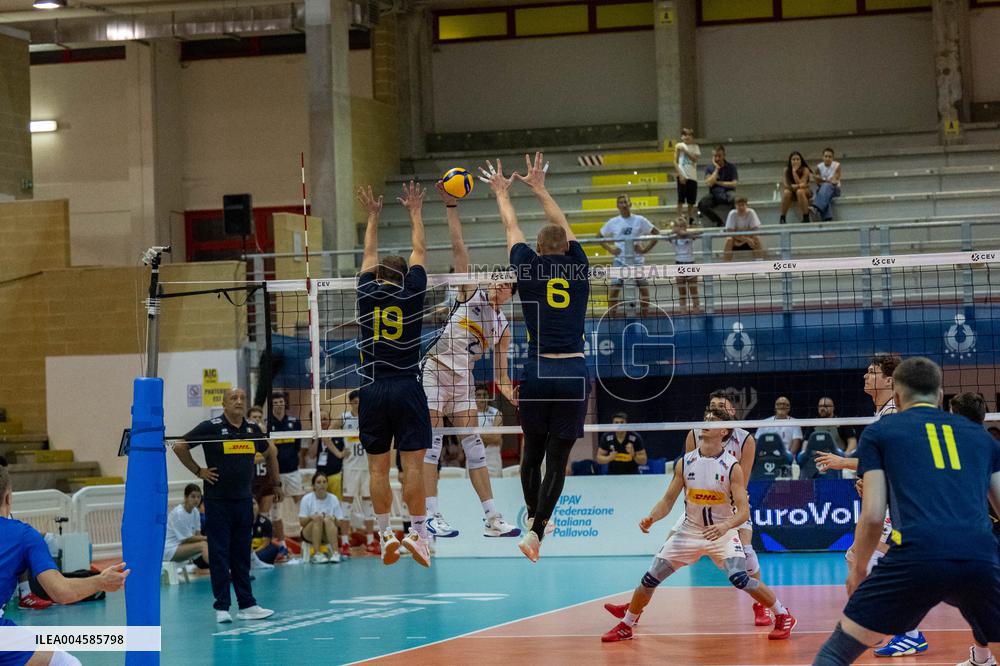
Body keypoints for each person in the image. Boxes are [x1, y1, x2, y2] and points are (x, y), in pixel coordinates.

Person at [812, 357, 1000, 665]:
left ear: (897, 396)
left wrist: (858, 571)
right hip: (979, 554)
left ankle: (913, 637)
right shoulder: (983, 438)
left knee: (835, 654)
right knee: (981, 615)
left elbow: (872, 515)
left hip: (918, 553)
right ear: (940, 396)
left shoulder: (883, 431)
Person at [601, 408, 795, 643]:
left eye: (713, 421)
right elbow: (667, 501)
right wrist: (652, 517)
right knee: (650, 577)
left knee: (739, 577)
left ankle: (783, 614)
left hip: (721, 533)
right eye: (706, 419)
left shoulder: (732, 467)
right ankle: (627, 624)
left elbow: (743, 512)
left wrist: (725, 527)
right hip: (689, 531)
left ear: (723, 431)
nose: (706, 422)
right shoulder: (685, 462)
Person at [482, 152, 589, 562]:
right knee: (558, 462)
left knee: (532, 455)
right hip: (574, 370)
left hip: (539, 369)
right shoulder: (579, 267)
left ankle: (532, 519)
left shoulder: (526, 266)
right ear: (566, 247)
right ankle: (538, 530)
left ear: (538, 249)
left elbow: (511, 226)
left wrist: (502, 192)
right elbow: (566, 228)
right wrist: (541, 187)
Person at [420, 181, 519, 539]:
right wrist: (451, 207)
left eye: (506, 284)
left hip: (463, 381)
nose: (498, 285)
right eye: (497, 279)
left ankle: (492, 518)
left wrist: (508, 391)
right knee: (430, 443)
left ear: (510, 294)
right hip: (435, 369)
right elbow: (458, 247)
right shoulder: (469, 291)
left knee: (474, 445)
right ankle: (432, 516)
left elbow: (501, 374)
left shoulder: (504, 326)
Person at [355, 182, 433, 567]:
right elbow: (420, 250)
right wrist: (415, 209)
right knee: (413, 465)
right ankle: (418, 532)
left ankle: (385, 530)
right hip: (406, 384)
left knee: (377, 467)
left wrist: (373, 214)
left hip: (371, 388)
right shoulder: (412, 292)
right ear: (404, 277)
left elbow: (368, 252)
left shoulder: (366, 292)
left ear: (378, 275)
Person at [0, 465, 130, 666]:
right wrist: (101, 581)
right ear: (8, 497)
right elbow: (61, 592)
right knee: (65, 662)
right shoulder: (24, 535)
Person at [172, 387, 278, 622]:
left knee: (242, 554)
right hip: (218, 502)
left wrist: (276, 482)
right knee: (220, 554)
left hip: (243, 500)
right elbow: (179, 446)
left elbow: (271, 451)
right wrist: (199, 471)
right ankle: (221, 608)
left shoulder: (252, 429)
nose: (239, 401)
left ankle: (247, 605)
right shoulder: (211, 427)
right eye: (234, 398)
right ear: (224, 403)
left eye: (242, 398)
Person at [682, 391, 773, 627]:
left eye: (721, 406)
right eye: (711, 407)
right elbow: (688, 470)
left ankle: (761, 606)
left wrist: (730, 506)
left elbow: (743, 479)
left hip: (731, 504)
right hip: (698, 504)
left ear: (732, 411)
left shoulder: (745, 439)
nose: (714, 411)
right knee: (665, 551)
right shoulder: (695, 433)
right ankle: (635, 608)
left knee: (748, 553)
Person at [948, 392, 1000, 666]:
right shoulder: (990, 445)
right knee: (978, 599)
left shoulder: (946, 446)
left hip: (974, 534)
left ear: (954, 413)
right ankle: (981, 658)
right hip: (983, 533)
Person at [332, 390, 378, 556]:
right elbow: (326, 435)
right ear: (350, 403)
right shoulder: (344, 417)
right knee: (347, 506)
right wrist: (338, 453)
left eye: (361, 401)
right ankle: (344, 543)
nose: (359, 404)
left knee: (368, 505)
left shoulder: (370, 417)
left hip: (367, 468)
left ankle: (371, 542)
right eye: (356, 402)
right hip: (350, 468)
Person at [599, 194, 659, 316]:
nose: (624, 205)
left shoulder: (640, 220)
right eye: (621, 202)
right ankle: (612, 319)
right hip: (620, 261)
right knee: (614, 290)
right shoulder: (613, 222)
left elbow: (657, 233)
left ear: (630, 204)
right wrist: (610, 249)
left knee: (644, 289)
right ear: (617, 206)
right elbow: (599, 237)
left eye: (626, 202)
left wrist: (645, 249)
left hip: (637, 261)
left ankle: (645, 317)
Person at [267, 392, 303, 557]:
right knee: (276, 510)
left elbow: (297, 446)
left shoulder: (294, 422)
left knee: (301, 507)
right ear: (272, 405)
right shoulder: (267, 424)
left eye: (281, 402)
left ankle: (306, 539)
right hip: (276, 475)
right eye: (276, 402)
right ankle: (281, 544)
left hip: (293, 471)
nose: (279, 405)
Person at [298, 473, 345, 564]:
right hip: (309, 533)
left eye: (324, 482)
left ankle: (336, 553)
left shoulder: (333, 499)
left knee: (328, 519)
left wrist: (333, 519)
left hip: (327, 533)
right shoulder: (306, 499)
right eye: (318, 482)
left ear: (327, 484)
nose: (322, 484)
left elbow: (340, 523)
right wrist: (311, 517)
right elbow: (302, 522)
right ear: (313, 486)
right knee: (318, 518)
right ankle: (316, 554)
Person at [163, 483, 209, 567]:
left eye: (198, 497)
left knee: (209, 544)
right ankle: (219, 571)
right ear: (186, 497)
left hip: (182, 546)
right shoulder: (179, 513)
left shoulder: (195, 511)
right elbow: (186, 539)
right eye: (193, 496)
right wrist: (207, 538)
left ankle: (224, 569)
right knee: (203, 545)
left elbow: (198, 535)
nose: (196, 500)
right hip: (170, 550)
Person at [665, 217, 702, 314]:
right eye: (678, 226)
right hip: (679, 265)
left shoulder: (689, 236)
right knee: (682, 291)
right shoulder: (673, 238)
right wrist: (673, 231)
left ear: (686, 227)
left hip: (690, 264)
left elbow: (699, 233)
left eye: (682, 226)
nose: (680, 228)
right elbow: (664, 237)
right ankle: (683, 310)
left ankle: (696, 309)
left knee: (693, 290)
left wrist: (684, 233)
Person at [697, 145, 739, 226]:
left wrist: (718, 183)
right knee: (702, 204)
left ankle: (732, 222)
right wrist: (716, 169)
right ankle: (718, 222)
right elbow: (709, 183)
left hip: (728, 192)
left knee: (736, 200)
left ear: (724, 156)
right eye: (715, 156)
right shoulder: (709, 168)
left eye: (719, 156)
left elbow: (734, 183)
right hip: (714, 194)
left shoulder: (731, 167)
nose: (717, 159)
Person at [722, 197, 764, 262]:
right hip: (736, 240)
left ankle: (760, 263)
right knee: (729, 239)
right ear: (735, 206)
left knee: (757, 238)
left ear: (746, 205)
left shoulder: (751, 212)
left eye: (743, 205)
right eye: (739, 205)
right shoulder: (732, 214)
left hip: (750, 239)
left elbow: (754, 230)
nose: (741, 207)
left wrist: (748, 240)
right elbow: (730, 233)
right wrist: (746, 240)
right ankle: (726, 265)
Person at [674, 128, 701, 223]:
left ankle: (690, 217)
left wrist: (685, 151)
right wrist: (680, 175)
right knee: (680, 198)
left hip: (692, 176)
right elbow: (675, 162)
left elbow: (695, 159)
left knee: (691, 200)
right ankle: (679, 217)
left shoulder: (695, 147)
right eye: (685, 135)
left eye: (689, 135)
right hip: (682, 175)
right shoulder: (679, 145)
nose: (687, 137)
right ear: (682, 136)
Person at [779, 151, 813, 224]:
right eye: (793, 159)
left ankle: (806, 217)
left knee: (800, 191)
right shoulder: (786, 170)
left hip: (805, 191)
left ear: (801, 160)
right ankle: (782, 217)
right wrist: (794, 187)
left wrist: (794, 172)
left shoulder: (805, 169)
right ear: (790, 161)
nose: (795, 161)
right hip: (792, 190)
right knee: (786, 192)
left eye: (797, 159)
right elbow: (785, 184)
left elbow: (802, 184)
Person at [812, 147, 842, 222]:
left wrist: (823, 180)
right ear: (823, 157)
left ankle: (816, 207)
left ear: (832, 158)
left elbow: (834, 181)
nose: (828, 158)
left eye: (830, 157)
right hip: (823, 190)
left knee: (826, 187)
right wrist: (823, 181)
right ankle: (827, 218)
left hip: (835, 189)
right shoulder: (819, 167)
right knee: (825, 195)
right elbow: (817, 182)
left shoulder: (837, 165)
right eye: (826, 156)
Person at [250, 497, 277, 569]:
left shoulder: (265, 522)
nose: (251, 507)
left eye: (253, 504)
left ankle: (252, 562)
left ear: (258, 505)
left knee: (273, 549)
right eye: (249, 504)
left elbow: (266, 543)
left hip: (259, 551)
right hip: (244, 552)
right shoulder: (239, 522)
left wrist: (253, 555)